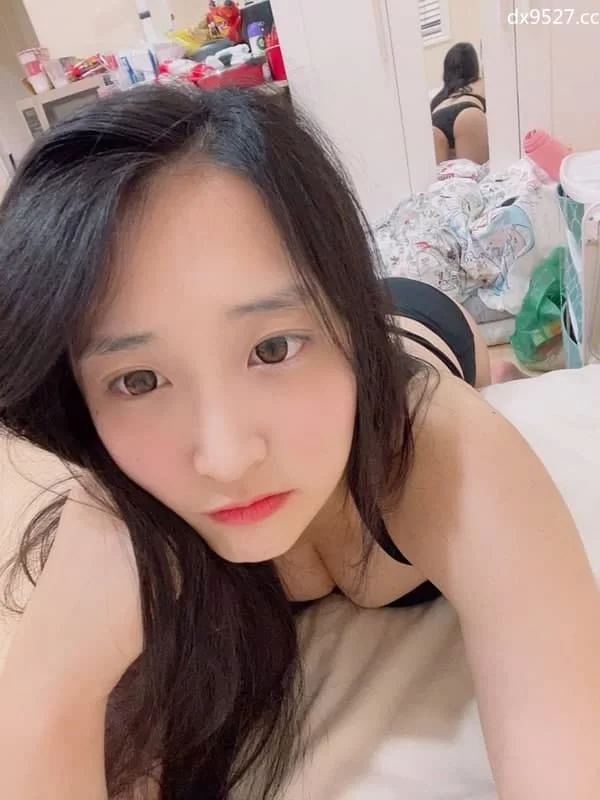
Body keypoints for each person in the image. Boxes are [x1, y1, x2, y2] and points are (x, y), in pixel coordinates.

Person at [0, 84, 599, 800]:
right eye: (138, 380)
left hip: (416, 321)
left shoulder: (446, 449)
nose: (226, 458)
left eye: (273, 349)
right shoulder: (116, 513)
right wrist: (48, 687)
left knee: (437, 278)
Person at [430, 42, 489, 164]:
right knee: (473, 174)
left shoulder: (438, 98)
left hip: (437, 120)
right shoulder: (480, 83)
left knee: (442, 177)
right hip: (468, 112)